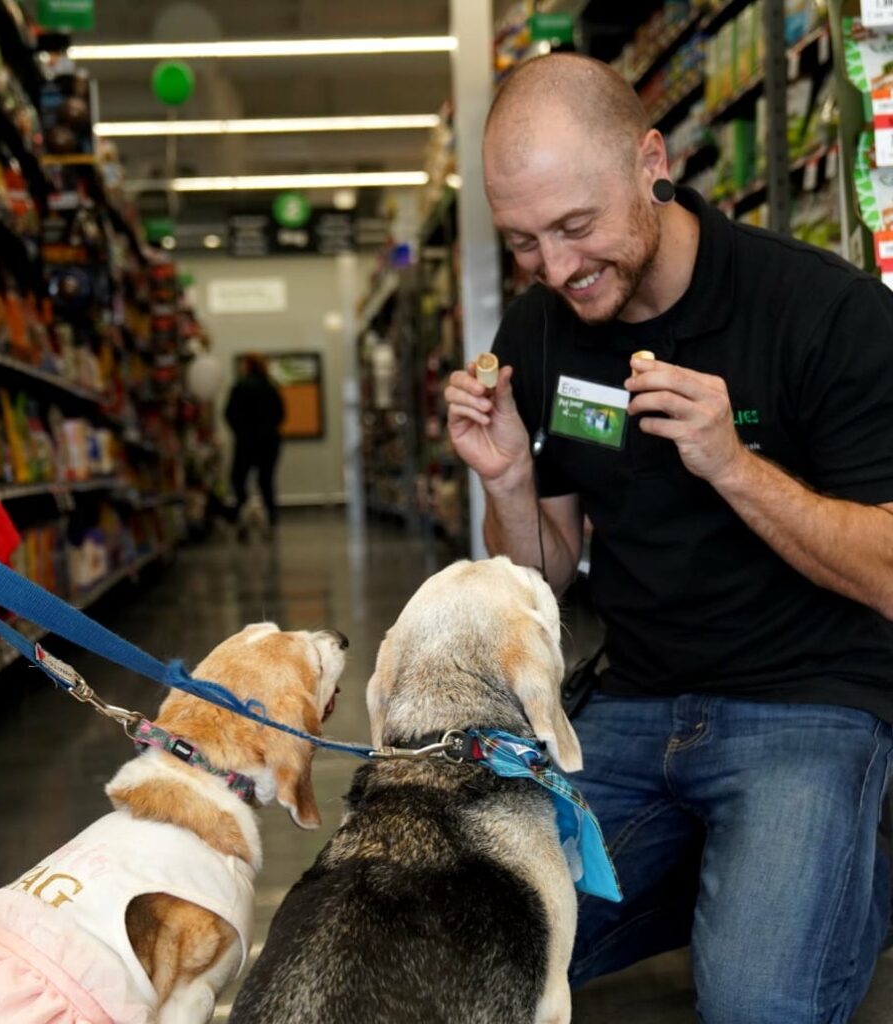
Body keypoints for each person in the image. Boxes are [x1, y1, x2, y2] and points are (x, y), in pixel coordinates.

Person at [445, 53, 893, 1024]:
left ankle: (820, 870)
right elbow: (543, 573)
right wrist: (508, 478)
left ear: (651, 163)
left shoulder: (822, 311)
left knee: (759, 1005)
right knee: (464, 956)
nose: (555, 268)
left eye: (576, 227)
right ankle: (741, 865)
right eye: (523, 241)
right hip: (633, 706)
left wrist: (734, 466)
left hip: (807, 705)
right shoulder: (542, 330)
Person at [225, 353, 285, 532]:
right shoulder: (271, 386)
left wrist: (240, 430)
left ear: (248, 366)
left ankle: (242, 510)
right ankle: (271, 517)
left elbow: (229, 414)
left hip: (246, 442)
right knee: (266, 480)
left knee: (238, 478)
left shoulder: (240, 386)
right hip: (269, 441)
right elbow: (281, 414)